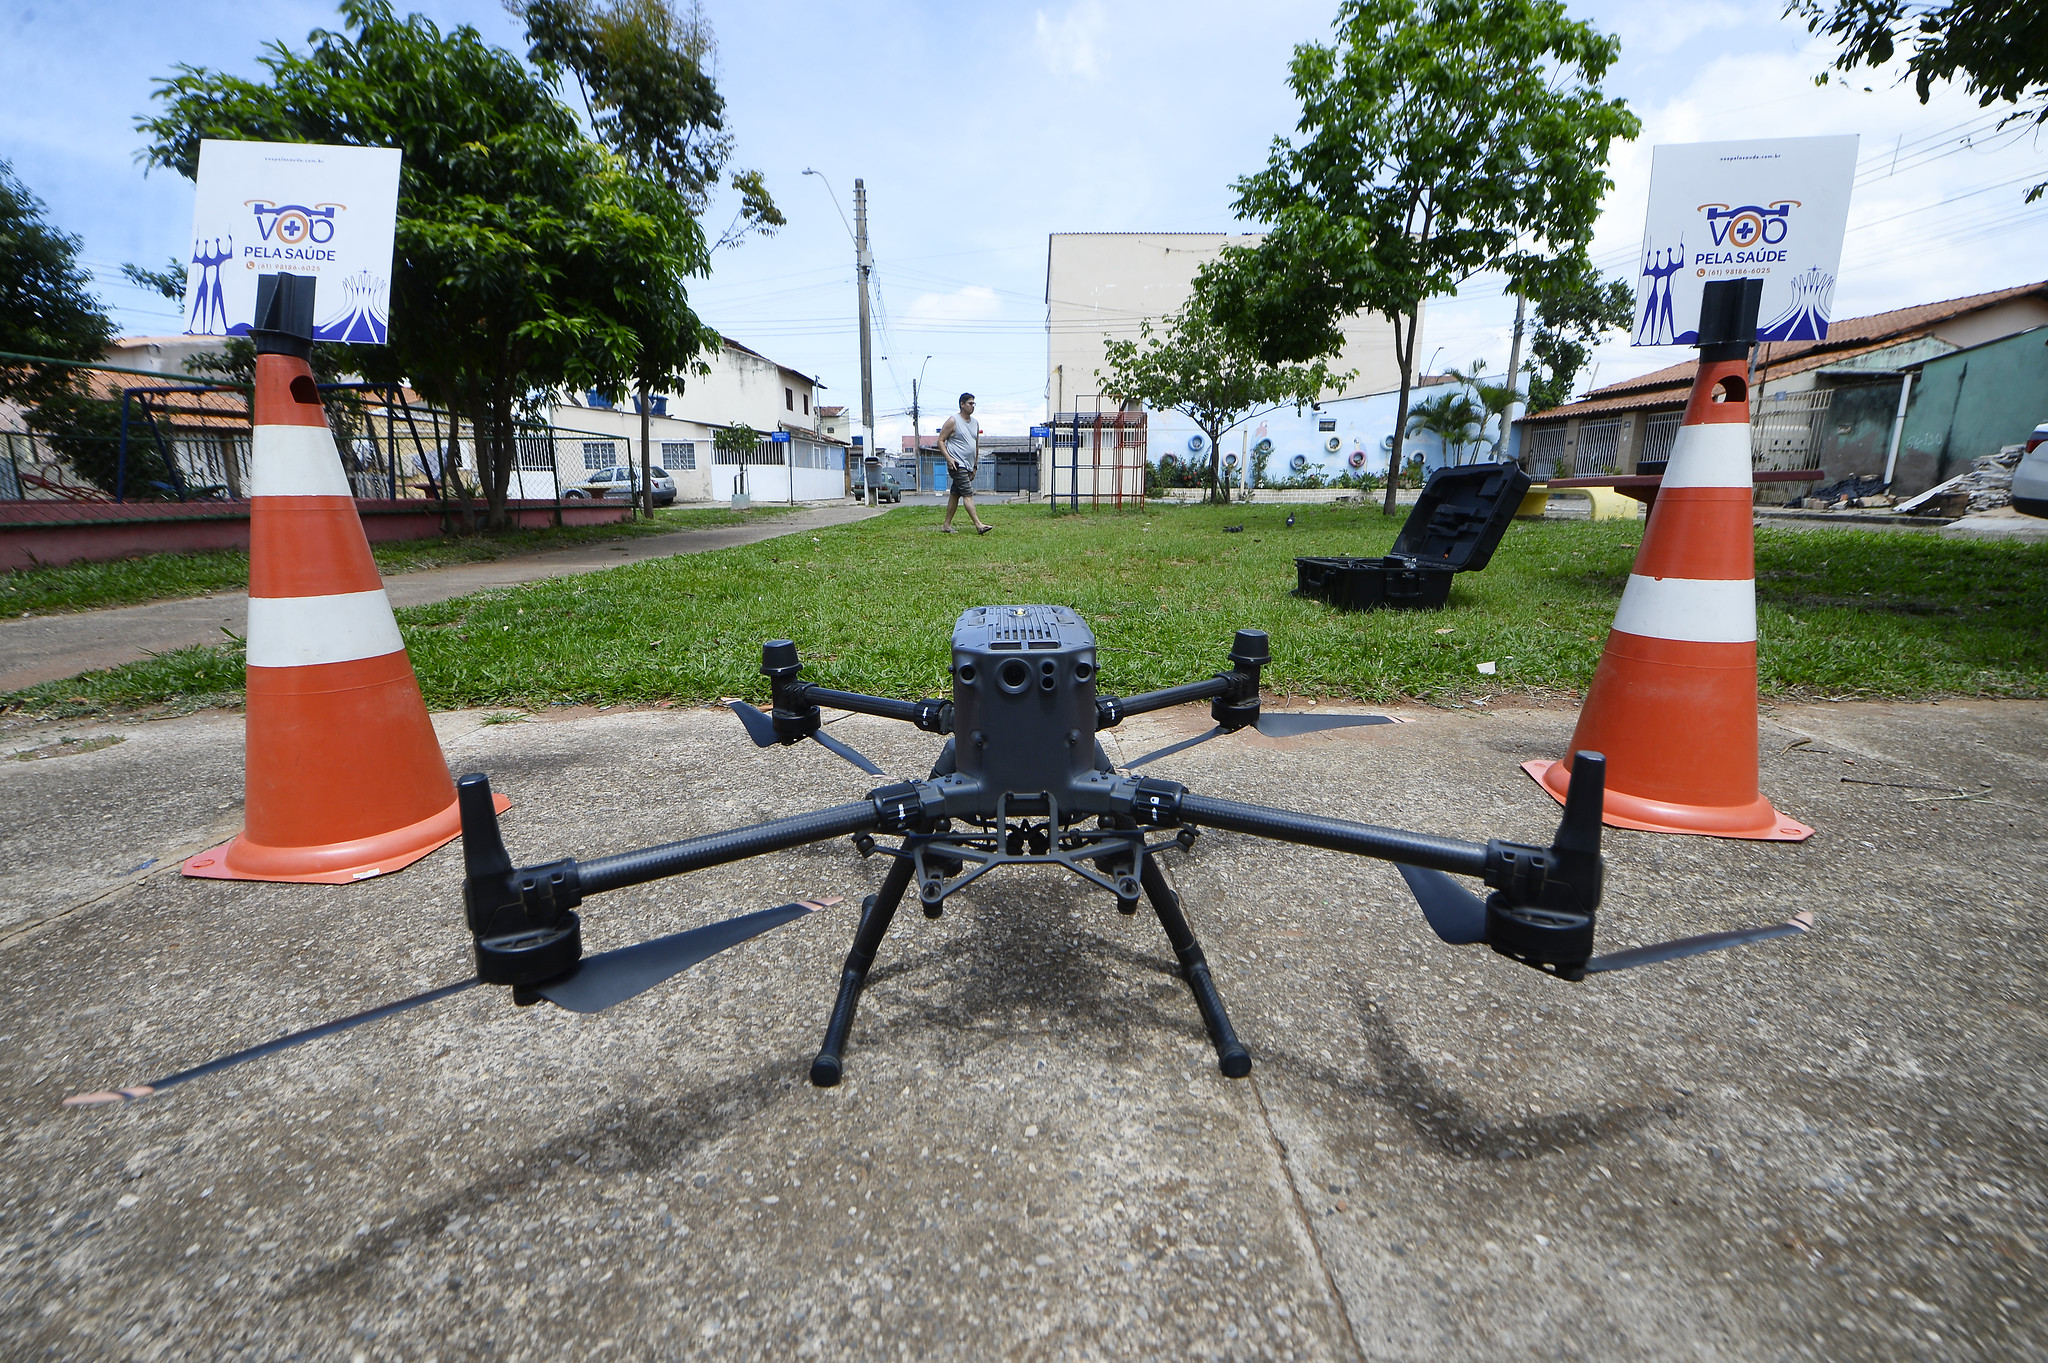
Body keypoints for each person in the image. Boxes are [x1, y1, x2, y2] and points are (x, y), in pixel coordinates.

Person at [937, 392, 991, 534]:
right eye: (970, 403)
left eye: (974, 403)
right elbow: (940, 440)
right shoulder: (953, 420)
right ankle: (979, 525)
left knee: (955, 494)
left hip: (968, 464)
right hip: (957, 464)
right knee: (968, 494)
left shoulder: (975, 423)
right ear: (962, 404)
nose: (973, 406)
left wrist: (975, 466)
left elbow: (976, 445)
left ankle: (946, 525)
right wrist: (949, 458)